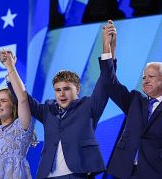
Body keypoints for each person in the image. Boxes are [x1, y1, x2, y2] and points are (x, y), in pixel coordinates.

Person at [6, 40, 116, 179]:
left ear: (78, 89)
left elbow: (105, 81)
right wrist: (10, 68)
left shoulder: (89, 105)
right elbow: (22, 98)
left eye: (66, 89)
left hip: (78, 174)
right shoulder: (48, 110)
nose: (61, 94)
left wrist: (108, 47)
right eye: (57, 90)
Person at [100, 20, 162, 179]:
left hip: (157, 173)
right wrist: (108, 48)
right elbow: (109, 83)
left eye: (151, 77)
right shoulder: (135, 101)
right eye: (144, 77)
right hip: (124, 172)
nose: (145, 80)